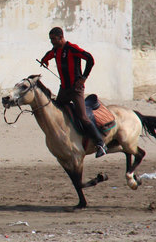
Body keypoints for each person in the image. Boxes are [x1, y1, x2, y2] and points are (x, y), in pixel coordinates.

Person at [39, 27, 107, 157]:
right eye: (50, 39)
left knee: (83, 117)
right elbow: (49, 54)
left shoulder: (72, 48)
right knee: (56, 110)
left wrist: (83, 78)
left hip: (76, 90)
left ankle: (100, 144)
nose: (52, 42)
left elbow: (90, 59)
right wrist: (44, 60)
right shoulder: (56, 50)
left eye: (54, 39)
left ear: (61, 37)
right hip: (64, 89)